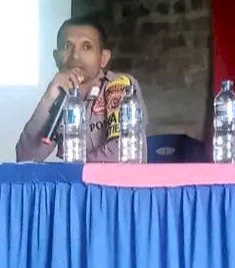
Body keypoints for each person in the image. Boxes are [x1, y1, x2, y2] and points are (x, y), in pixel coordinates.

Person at [16, 16, 147, 162]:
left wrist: (76, 169)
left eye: (86, 47)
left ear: (103, 58)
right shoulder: (60, 97)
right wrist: (48, 98)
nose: (75, 55)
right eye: (67, 46)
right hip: (75, 176)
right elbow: (26, 158)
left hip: (115, 177)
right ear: (56, 57)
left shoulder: (120, 86)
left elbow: (124, 154)